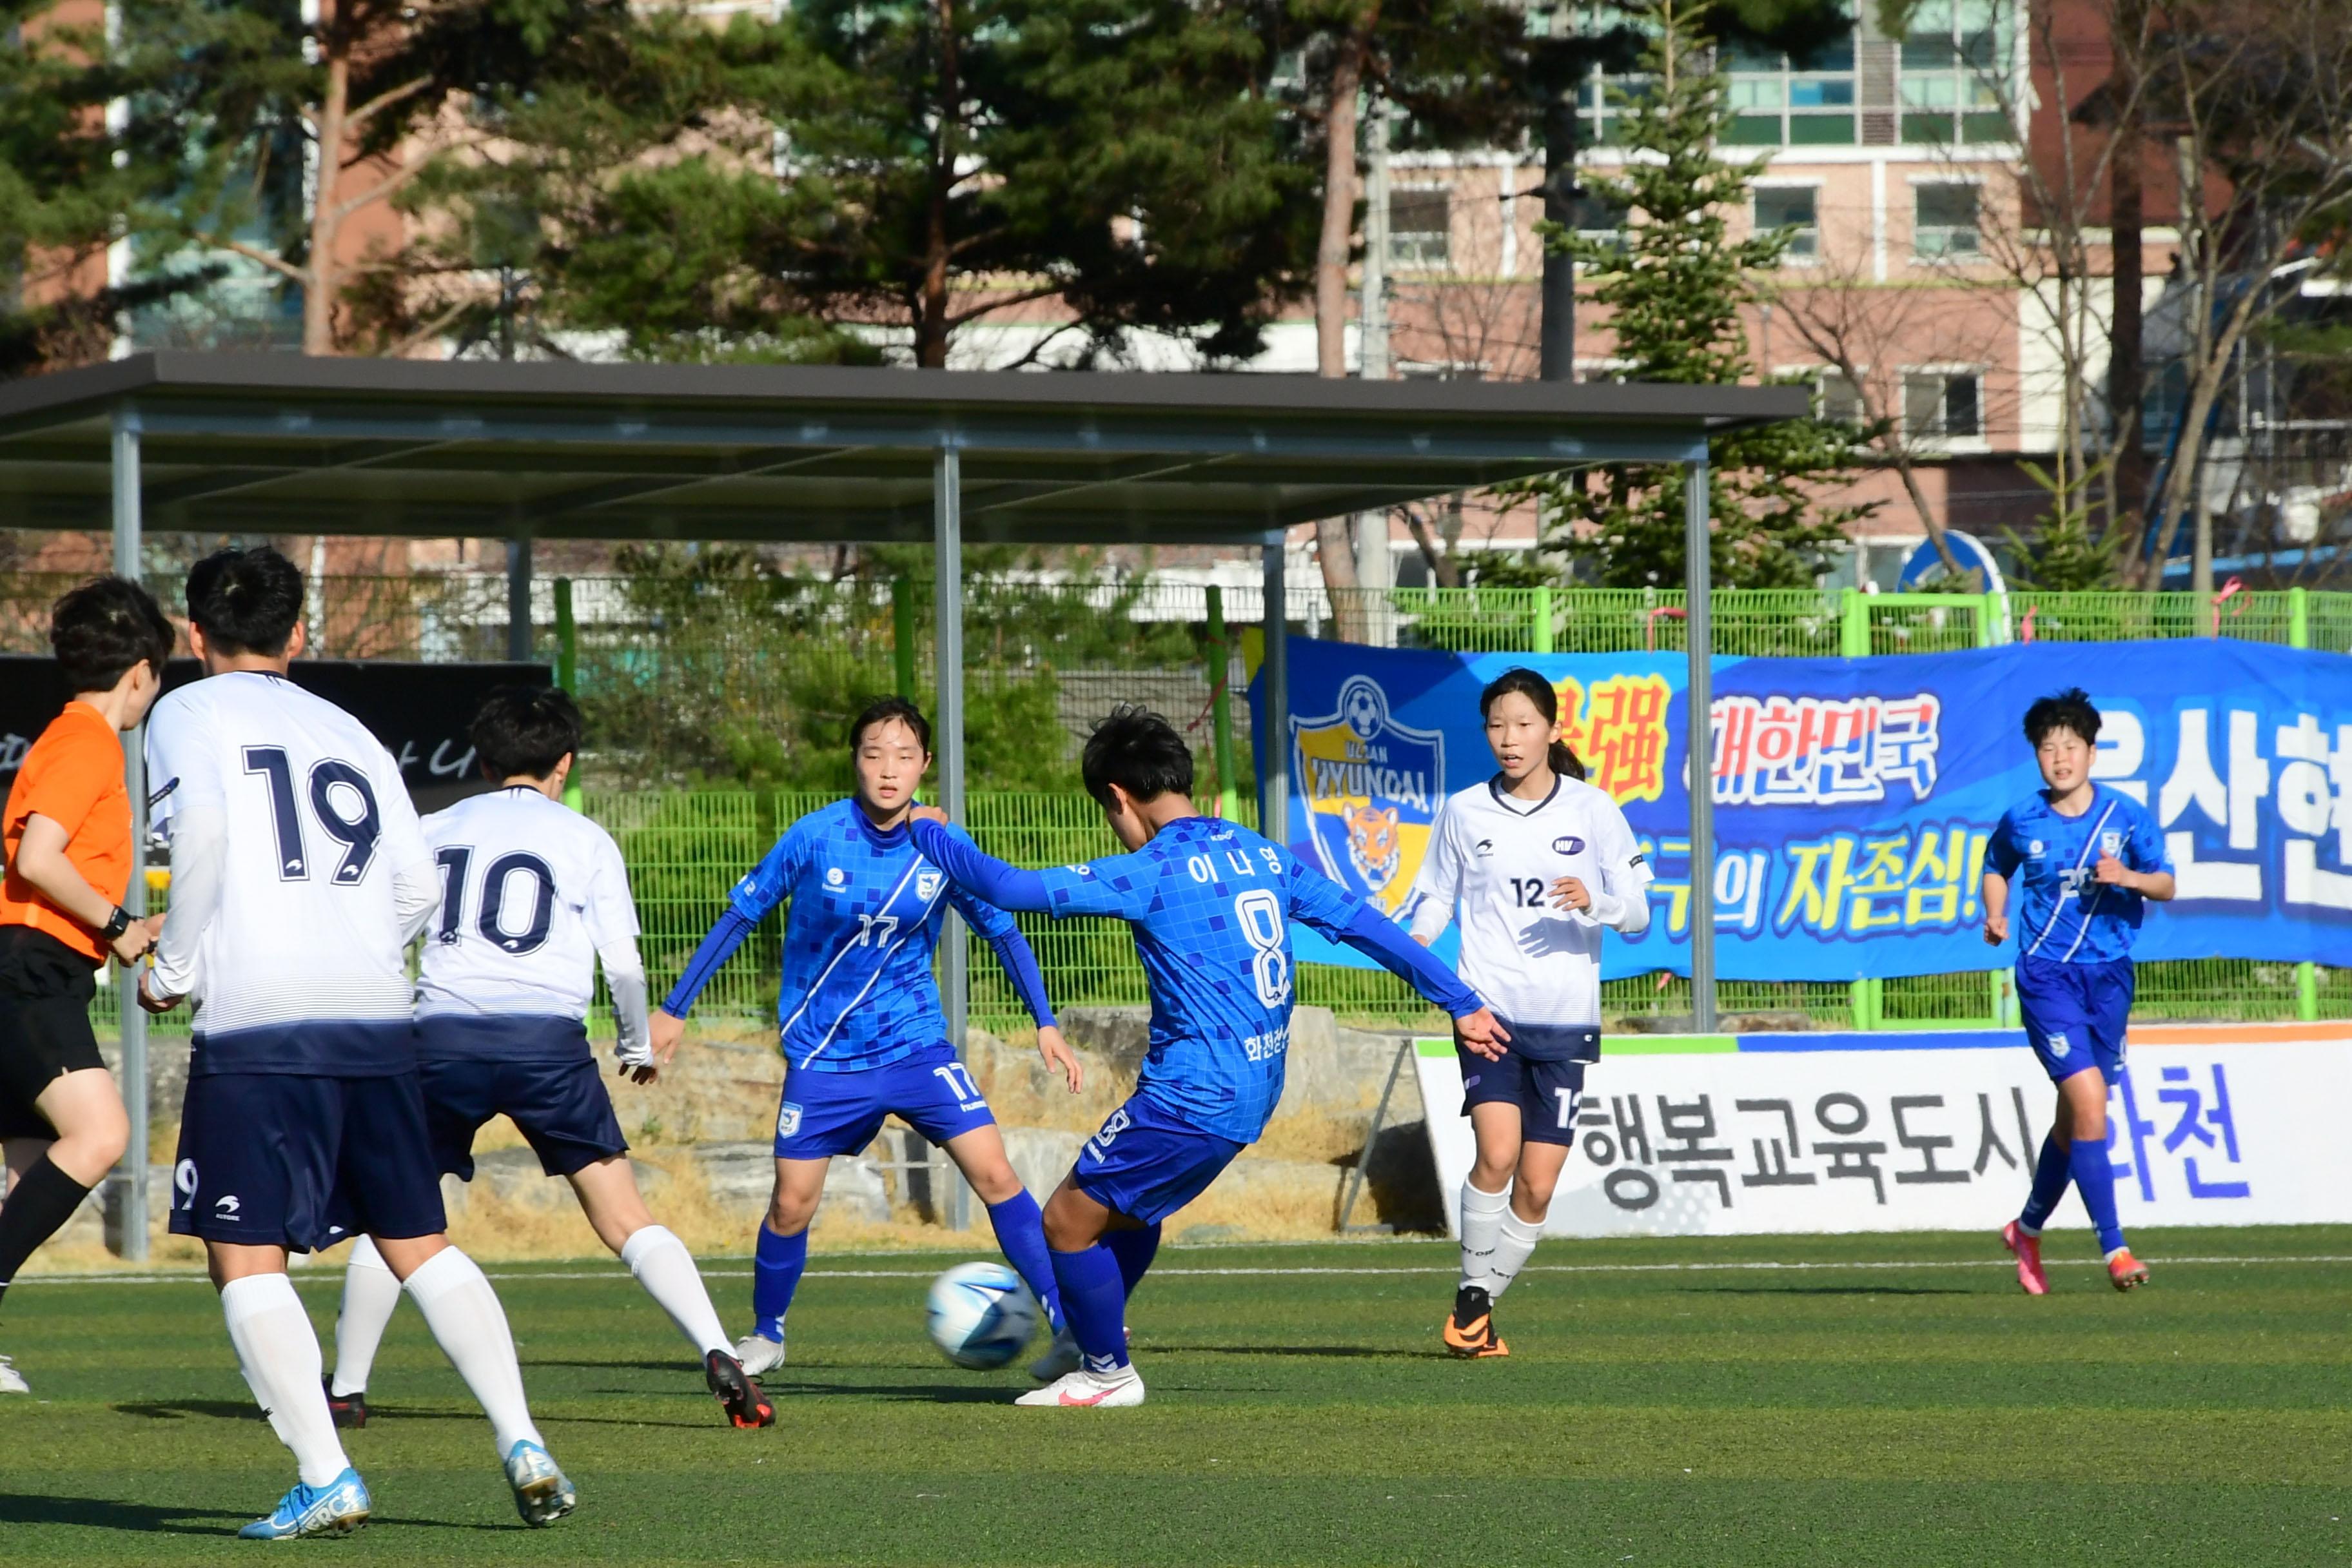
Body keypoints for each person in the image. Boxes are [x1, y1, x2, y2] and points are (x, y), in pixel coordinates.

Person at [141, 547, 575, 1539]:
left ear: (194, 635)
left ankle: (326, 1472)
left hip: (262, 1021)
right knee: (419, 1240)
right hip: (380, 1015)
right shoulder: (350, 727)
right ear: (299, 635)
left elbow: (199, 837)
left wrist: (172, 968)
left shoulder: (185, 712)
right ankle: (522, 1438)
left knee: (245, 1259)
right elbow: (417, 887)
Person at [908, 703, 1508, 1408]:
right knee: (1131, 1209)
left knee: (1066, 1220)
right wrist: (1459, 999)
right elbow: (1366, 926)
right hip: (1255, 1088)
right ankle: (1090, 1339)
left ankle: (1106, 1370)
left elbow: (1008, 888)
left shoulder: (1150, 869)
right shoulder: (1262, 852)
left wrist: (934, 833)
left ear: (1118, 797)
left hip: (1192, 1094)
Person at [324, 685, 772, 1431]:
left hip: (444, 1038)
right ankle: (719, 1349)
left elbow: (383, 931)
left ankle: (346, 1385)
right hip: (547, 1046)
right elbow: (623, 963)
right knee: (625, 1213)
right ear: (564, 763)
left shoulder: (433, 826)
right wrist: (637, 1043)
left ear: (482, 758)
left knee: (393, 1209)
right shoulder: (585, 837)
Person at [648, 696, 1081, 1383]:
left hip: (917, 1048)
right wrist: (673, 1009)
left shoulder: (940, 844)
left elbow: (1002, 929)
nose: (889, 768)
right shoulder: (816, 836)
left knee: (996, 1172)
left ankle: (1069, 1327)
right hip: (825, 1057)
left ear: (925, 765)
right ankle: (767, 1333)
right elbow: (740, 914)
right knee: (792, 1202)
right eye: (874, 752)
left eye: (905, 755)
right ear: (855, 760)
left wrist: (1046, 1023)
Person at [1406, 667, 1653, 1359]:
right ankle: (1471, 1296)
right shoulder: (1463, 811)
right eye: (1496, 725)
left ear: (1551, 727)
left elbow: (1638, 911)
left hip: (1566, 1021)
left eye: (1522, 724)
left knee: (1538, 1189)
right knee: (1499, 1153)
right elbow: (1434, 896)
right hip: (1488, 1013)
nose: (1508, 739)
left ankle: (1476, 1308)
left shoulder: (1593, 808)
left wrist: (1596, 900)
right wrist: (1416, 941)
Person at [0, 577, 171, 1393]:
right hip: (28, 966)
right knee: (101, 1134)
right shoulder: (89, 741)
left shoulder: (68, 736)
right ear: (139, 670)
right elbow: (37, 858)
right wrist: (122, 925)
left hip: (36, 967)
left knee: (27, 1165)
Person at [1983, 686, 2174, 1295]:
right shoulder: (2024, 819)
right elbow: (1995, 866)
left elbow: (2168, 884)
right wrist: (1996, 914)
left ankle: (2027, 1228)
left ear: (2093, 752)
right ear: (2037, 757)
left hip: (2110, 977)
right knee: (2091, 1102)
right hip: (2046, 976)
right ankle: (2115, 1248)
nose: (2060, 757)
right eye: (2048, 747)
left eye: (2071, 745)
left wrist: (2132, 879)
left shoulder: (2125, 817)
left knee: (2075, 1120)